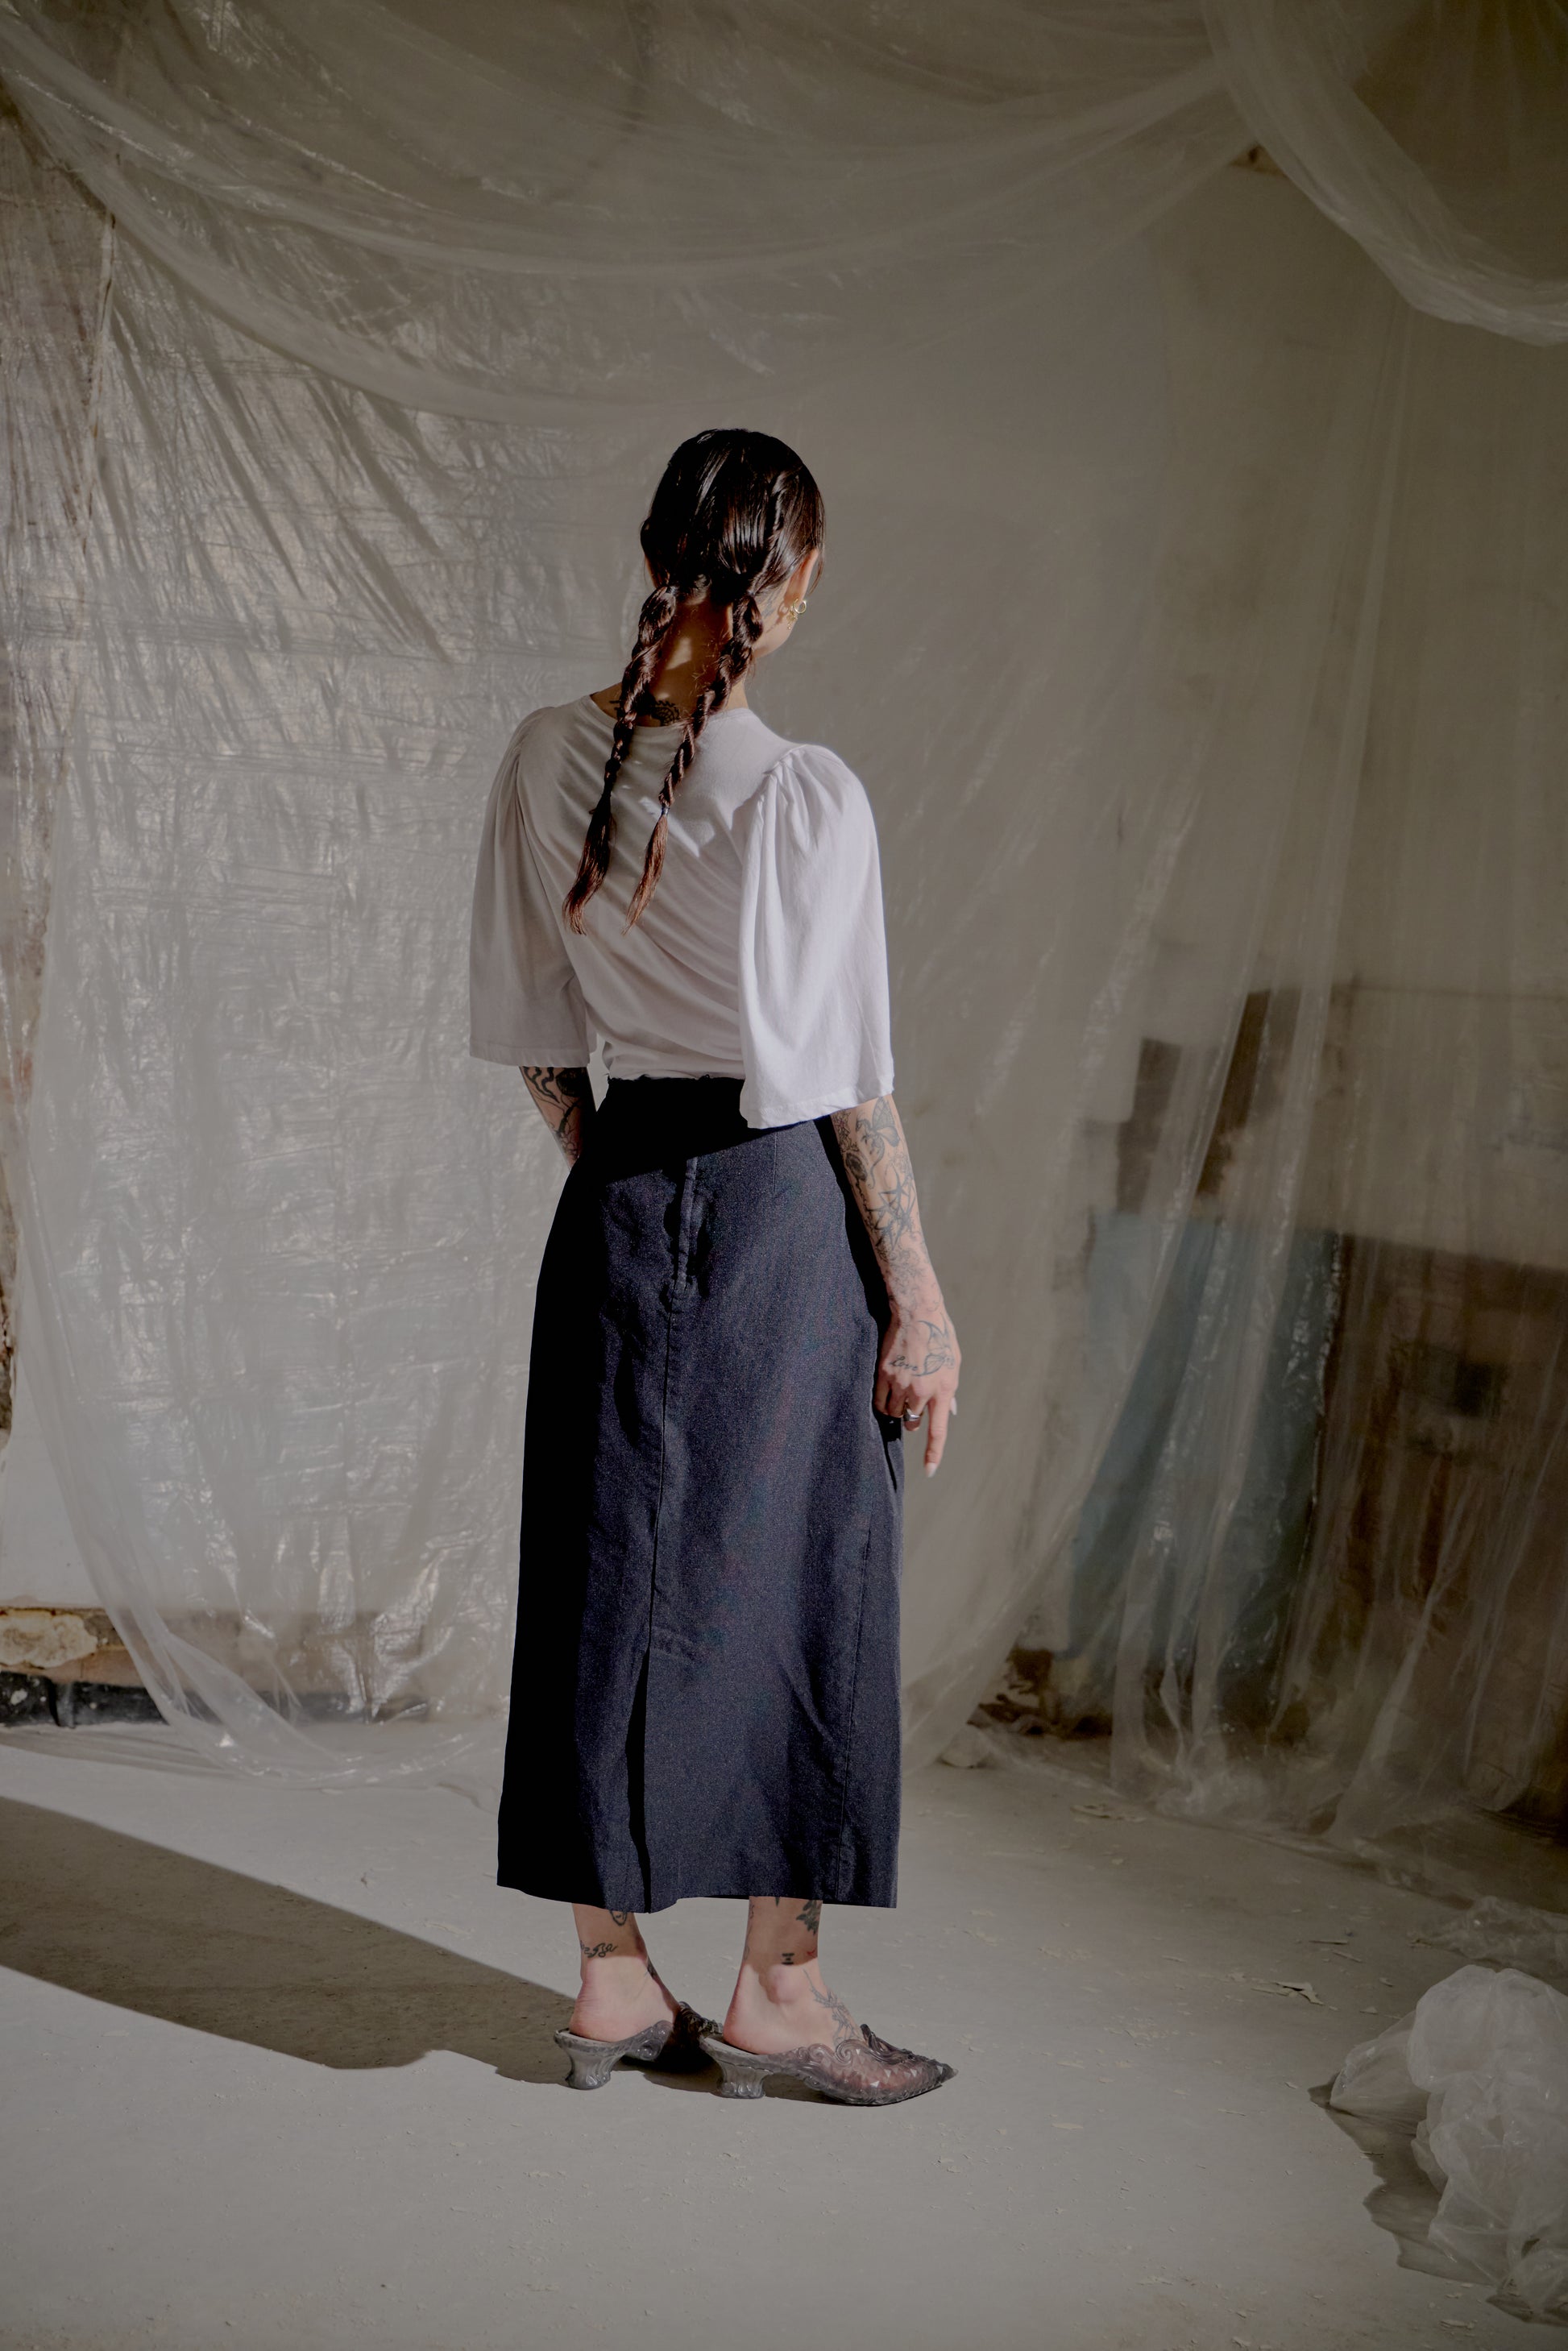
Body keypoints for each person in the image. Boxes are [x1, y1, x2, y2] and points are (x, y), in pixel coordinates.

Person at [469, 429, 960, 2106]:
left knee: (607, 1584)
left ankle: (613, 1981)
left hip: (615, 1199)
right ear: (794, 583)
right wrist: (919, 1299)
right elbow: (844, 1082)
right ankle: (783, 1994)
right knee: (811, 1581)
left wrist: (619, 1174)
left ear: (655, 552)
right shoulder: (803, 795)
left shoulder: (546, 758)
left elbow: (542, 1047)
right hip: (777, 1216)